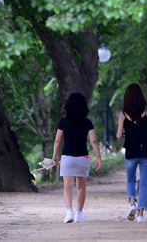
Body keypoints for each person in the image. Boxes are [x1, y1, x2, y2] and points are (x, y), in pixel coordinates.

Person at [51, 92, 102, 224]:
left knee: (67, 186)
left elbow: (57, 141)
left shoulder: (63, 122)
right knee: (81, 186)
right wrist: (98, 157)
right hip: (82, 157)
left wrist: (54, 156)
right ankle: (79, 213)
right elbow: (94, 141)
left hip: (67, 156)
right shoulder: (87, 122)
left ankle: (69, 212)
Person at [116, 83, 147, 223]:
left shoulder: (123, 114)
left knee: (130, 180)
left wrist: (125, 133)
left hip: (131, 152)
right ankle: (140, 214)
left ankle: (132, 204)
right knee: (144, 184)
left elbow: (118, 135)